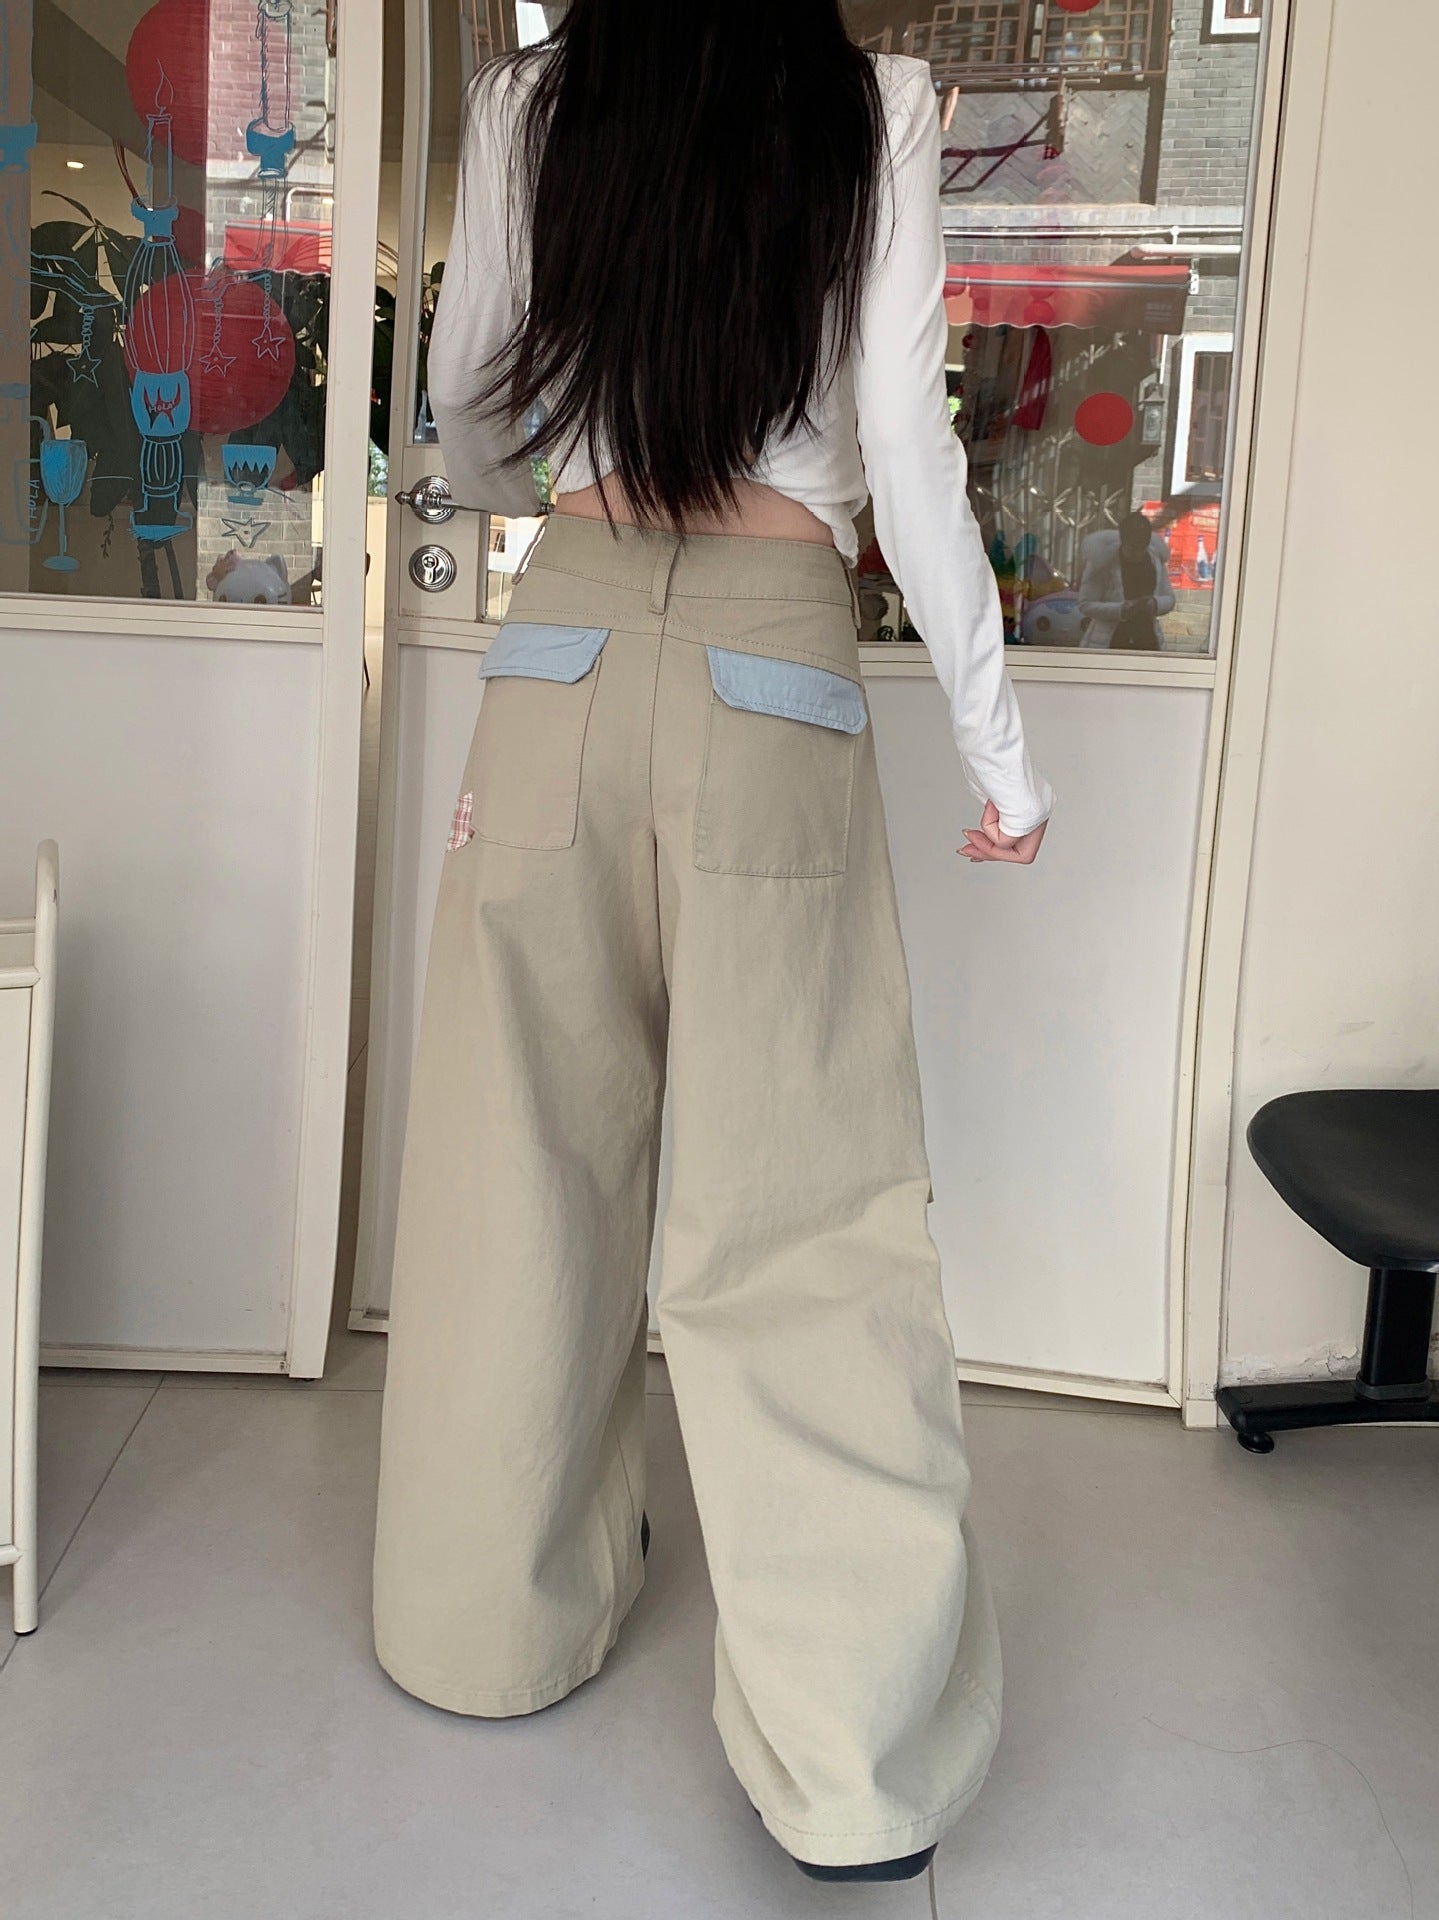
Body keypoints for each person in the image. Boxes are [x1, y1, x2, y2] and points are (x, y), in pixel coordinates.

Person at [370, 0, 1054, 1887]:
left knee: (515, 1166)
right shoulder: (869, 100)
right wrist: (997, 751)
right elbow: (901, 440)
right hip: (773, 656)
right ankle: (846, 1767)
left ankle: (478, 1629)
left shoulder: (533, 98)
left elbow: (469, 400)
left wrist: (525, 503)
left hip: (561, 641)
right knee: (799, 1209)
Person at [1077, 508, 1176, 650]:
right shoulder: (1103, 563)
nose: (1138, 555)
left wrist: (1154, 603)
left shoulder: (1155, 560)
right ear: (1122, 542)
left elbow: (1169, 598)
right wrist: (1120, 609)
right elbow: (1085, 604)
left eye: (1142, 549)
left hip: (1147, 638)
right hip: (1109, 640)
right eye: (1132, 550)